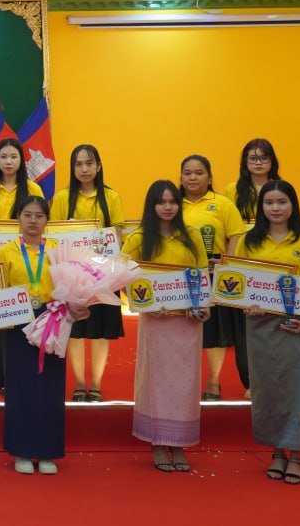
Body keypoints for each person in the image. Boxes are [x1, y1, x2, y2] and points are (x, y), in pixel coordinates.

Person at [237, 181, 300, 485]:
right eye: (269, 203)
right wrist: (246, 305)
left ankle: (297, 456)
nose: (275, 208)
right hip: (259, 327)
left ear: (293, 205)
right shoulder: (248, 241)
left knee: (298, 387)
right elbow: (237, 283)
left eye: (282, 202)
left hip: (295, 325)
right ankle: (276, 452)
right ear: (261, 206)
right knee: (268, 387)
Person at [0, 196, 86, 475]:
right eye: (27, 215)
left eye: (39, 216)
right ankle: (21, 450)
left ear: (47, 220)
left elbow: (73, 285)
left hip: (53, 320)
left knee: (50, 387)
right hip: (17, 321)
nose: (33, 221)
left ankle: (48, 451)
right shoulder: (6, 251)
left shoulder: (57, 250)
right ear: (18, 218)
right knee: (20, 387)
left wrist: (79, 305)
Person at [124, 181, 209, 474]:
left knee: (185, 383)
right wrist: (144, 303)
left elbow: (202, 275)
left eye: (173, 201)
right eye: (162, 202)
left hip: (187, 323)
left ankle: (180, 443)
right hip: (155, 323)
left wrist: (203, 308)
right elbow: (123, 276)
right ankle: (157, 442)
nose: (168, 207)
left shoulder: (192, 236)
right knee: (155, 380)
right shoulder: (138, 238)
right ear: (152, 205)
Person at [51, 144, 125, 402]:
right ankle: (80, 384)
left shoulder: (111, 197)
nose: (84, 169)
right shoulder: (62, 198)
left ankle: (96, 384)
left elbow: (117, 237)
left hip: (104, 275)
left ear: (99, 166)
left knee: (101, 330)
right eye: (79, 164)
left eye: (89, 163)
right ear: (72, 168)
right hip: (73, 277)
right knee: (76, 330)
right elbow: (54, 238)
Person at [0, 137, 44, 393]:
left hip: (27, 260)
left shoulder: (33, 188)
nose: (8, 161)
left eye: (13, 157)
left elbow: (41, 221)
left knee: (28, 317)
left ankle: (30, 373)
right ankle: (3, 380)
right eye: (3, 157)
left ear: (21, 160)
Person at [180, 154, 248, 400]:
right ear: (181, 177)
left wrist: (226, 264)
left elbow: (237, 235)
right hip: (181, 276)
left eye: (199, 173)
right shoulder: (173, 203)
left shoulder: (222, 203)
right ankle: (185, 382)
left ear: (209, 178)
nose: (193, 177)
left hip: (213, 273)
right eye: (187, 173)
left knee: (214, 333)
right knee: (183, 330)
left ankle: (213, 382)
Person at [226, 139, 282, 221]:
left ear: (272, 161)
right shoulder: (232, 189)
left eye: (264, 158)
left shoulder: (282, 188)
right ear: (245, 161)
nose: (258, 163)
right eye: (253, 158)